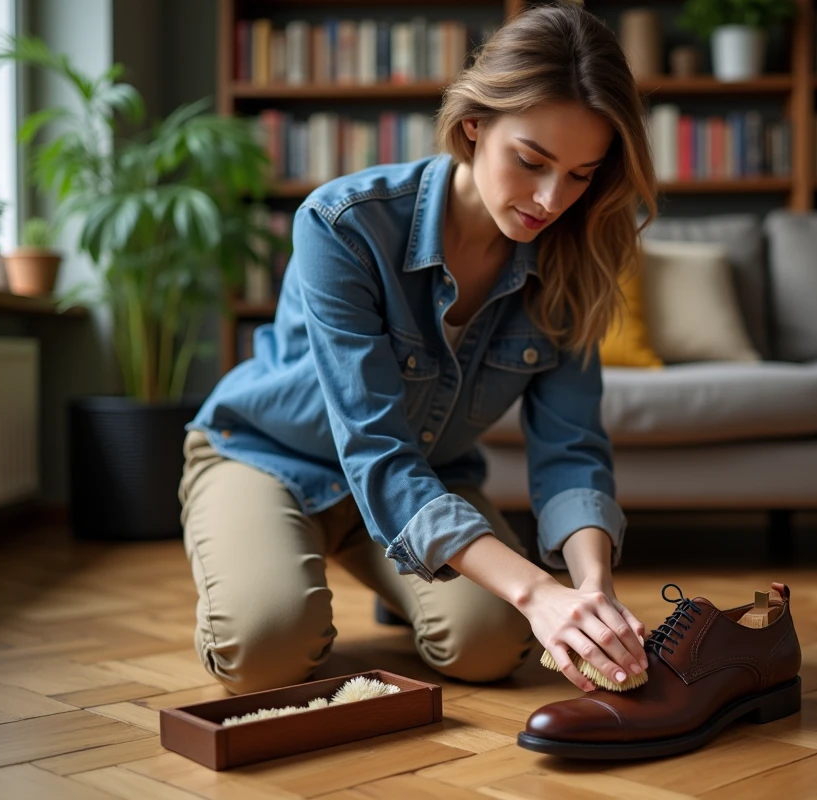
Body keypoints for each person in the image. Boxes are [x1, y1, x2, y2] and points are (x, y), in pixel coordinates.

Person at [178, 0, 658, 697]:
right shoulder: (344, 225)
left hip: (429, 476)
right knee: (266, 651)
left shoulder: (575, 261)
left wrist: (590, 589)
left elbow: (572, 447)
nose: (553, 198)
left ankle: (396, 564)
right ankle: (282, 562)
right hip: (268, 457)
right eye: (532, 161)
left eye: (582, 175)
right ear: (473, 125)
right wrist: (535, 591)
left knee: (490, 648)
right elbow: (374, 447)